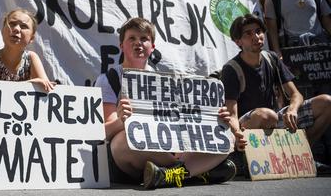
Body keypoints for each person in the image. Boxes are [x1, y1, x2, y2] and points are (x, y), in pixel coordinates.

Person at [95, 18, 236, 189]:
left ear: (152, 47)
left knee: (227, 137)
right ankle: (192, 171)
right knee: (124, 140)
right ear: (121, 46)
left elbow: (181, 127)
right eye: (131, 38)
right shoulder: (108, 79)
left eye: (144, 39)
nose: (138, 43)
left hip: (167, 150)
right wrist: (122, 120)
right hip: (129, 161)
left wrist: (215, 119)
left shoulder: (166, 82)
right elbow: (102, 133)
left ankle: (171, 174)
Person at [222, 15, 331, 153]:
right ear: (238, 41)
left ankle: (301, 153)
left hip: (274, 120)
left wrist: (292, 109)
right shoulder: (231, 69)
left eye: (258, 31)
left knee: (327, 102)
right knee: (267, 116)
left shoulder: (271, 58)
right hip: (247, 126)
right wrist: (237, 135)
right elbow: (232, 114)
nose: (256, 36)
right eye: (248, 34)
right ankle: (250, 159)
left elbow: (295, 94)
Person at [0, 9, 52, 91]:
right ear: (2, 30)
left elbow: (47, 88)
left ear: (31, 38)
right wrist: (28, 85)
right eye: (12, 24)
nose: (16, 29)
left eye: (24, 26)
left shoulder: (31, 58)